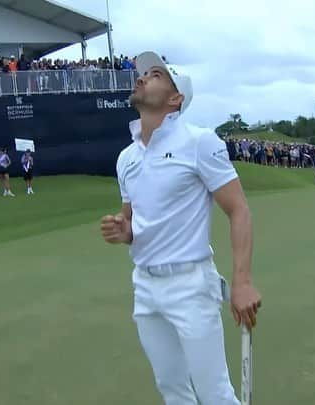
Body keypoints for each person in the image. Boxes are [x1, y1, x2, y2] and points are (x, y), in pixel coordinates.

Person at [100, 51, 261, 405]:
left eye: (155, 75)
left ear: (176, 99)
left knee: (214, 393)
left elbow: (238, 210)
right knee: (172, 390)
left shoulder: (198, 142)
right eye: (142, 74)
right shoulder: (126, 159)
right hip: (145, 285)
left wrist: (242, 281)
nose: (142, 78)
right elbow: (131, 221)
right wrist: (121, 230)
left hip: (190, 285)